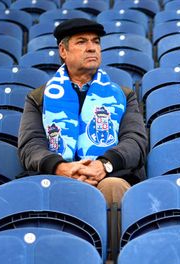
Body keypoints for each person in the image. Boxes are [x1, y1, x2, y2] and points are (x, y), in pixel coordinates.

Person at [18, 18, 148, 205]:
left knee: (113, 186)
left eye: (95, 41)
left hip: (110, 174)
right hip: (57, 177)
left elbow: (136, 142)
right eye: (82, 41)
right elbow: (30, 146)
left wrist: (104, 165)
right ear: (63, 51)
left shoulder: (122, 95)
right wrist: (61, 167)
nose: (92, 47)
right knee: (36, 191)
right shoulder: (39, 97)